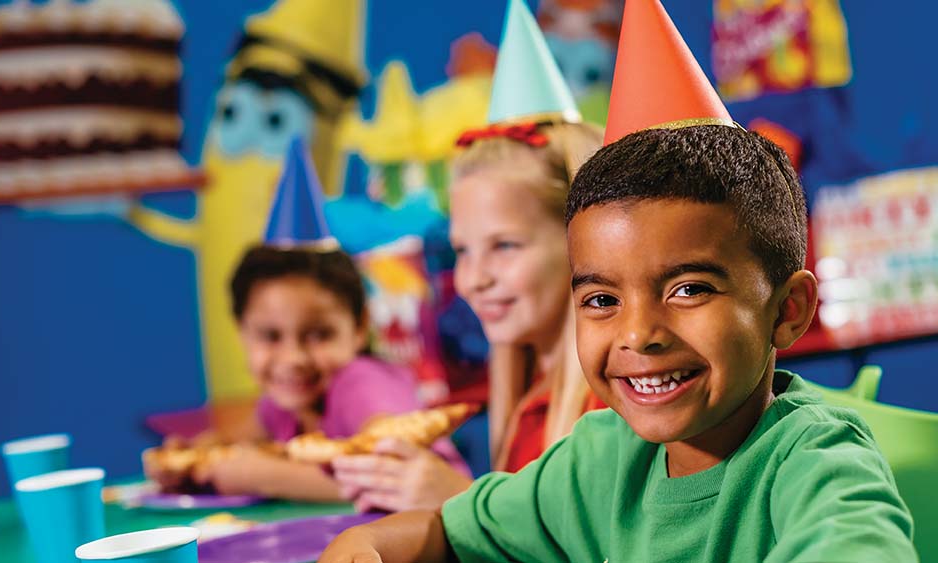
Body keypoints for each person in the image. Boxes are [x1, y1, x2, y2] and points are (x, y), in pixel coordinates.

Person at [317, 1, 916, 560]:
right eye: (602, 299)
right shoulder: (600, 455)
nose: (639, 334)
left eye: (689, 289)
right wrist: (360, 547)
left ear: (789, 308)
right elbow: (437, 530)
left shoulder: (818, 467)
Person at [330, 0, 603, 513]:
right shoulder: (527, 400)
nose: (473, 279)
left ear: (583, 244)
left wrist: (462, 504)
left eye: (504, 246)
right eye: (461, 250)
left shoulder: (615, 409)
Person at [146, 138, 467, 502]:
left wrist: (261, 476)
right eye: (270, 336)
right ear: (241, 331)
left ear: (360, 327)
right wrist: (194, 460)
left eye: (319, 334)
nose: (293, 358)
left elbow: (395, 481)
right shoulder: (282, 407)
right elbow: (239, 446)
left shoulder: (361, 385)